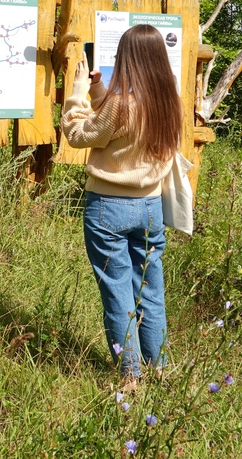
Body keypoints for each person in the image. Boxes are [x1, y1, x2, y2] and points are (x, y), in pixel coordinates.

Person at [61, 24, 183, 382]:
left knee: (118, 294)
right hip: (151, 209)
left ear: (128, 58)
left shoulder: (121, 104)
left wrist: (78, 93)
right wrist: (99, 89)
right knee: (151, 292)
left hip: (108, 209)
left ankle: (130, 378)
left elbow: (79, 134)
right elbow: (119, 121)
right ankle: (157, 366)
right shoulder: (167, 102)